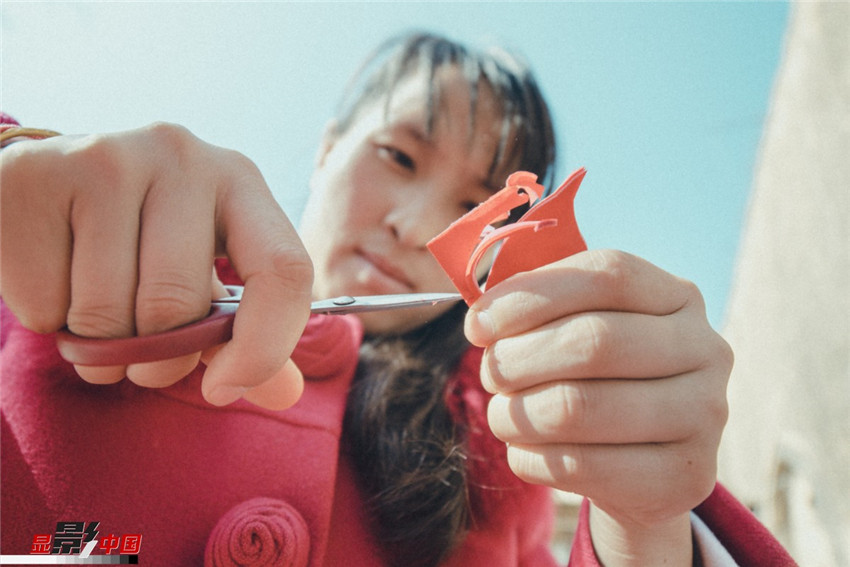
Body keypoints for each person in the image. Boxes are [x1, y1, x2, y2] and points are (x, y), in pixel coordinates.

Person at [0, 32, 794, 566]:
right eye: (398, 156)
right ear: (327, 147)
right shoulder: (89, 255)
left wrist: (645, 524)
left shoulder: (507, 457)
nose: (415, 228)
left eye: (474, 207)